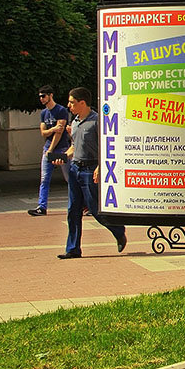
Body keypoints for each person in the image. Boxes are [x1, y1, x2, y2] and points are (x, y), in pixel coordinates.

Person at [57, 87, 126, 259]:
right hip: (75, 169)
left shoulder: (97, 121)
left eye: (72, 102)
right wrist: (62, 157)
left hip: (90, 170)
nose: (69, 106)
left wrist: (100, 167)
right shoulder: (75, 122)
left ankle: (118, 231)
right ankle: (73, 249)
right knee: (73, 210)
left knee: (95, 209)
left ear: (83, 103)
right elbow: (74, 146)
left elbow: (106, 145)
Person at [29, 85, 70, 216]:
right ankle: (42, 207)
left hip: (62, 149)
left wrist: (51, 149)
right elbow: (43, 132)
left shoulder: (61, 110)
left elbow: (60, 132)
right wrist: (52, 130)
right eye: (40, 96)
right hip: (47, 149)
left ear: (51, 95)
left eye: (43, 96)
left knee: (70, 178)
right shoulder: (44, 113)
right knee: (44, 179)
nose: (41, 99)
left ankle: (81, 205)